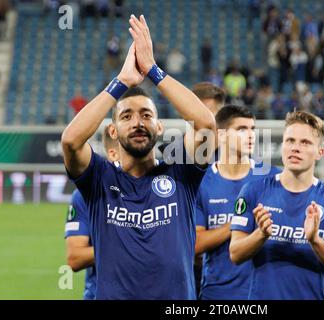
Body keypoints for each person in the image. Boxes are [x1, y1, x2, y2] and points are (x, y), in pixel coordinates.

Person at [61, 14, 216, 299]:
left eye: (146, 115)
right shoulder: (99, 180)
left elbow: (206, 125)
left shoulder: (181, 172)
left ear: (159, 126)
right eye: (127, 116)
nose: (138, 123)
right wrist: (120, 82)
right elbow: (71, 141)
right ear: (113, 129)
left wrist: (154, 71)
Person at [229, 111, 324, 300]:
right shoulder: (253, 191)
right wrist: (260, 234)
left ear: (320, 152)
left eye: (305, 143)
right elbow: (235, 253)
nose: (295, 148)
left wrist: (314, 240)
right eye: (290, 141)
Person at [195, 105, 280, 300]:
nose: (250, 135)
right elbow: (195, 244)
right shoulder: (202, 182)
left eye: (252, 129)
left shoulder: (271, 177)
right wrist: (238, 222)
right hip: (217, 293)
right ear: (221, 135)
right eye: (241, 129)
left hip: (263, 292)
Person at [65, 124, 120, 300]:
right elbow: (75, 258)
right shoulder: (85, 195)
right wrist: (128, 245)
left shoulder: (158, 189)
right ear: (113, 154)